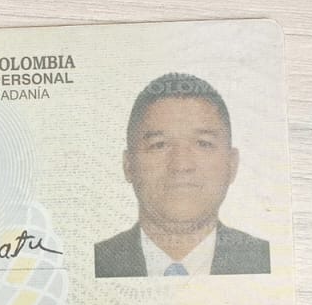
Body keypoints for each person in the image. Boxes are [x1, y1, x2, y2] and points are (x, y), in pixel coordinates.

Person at [94, 72, 270, 278]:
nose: (181, 165)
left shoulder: (267, 261)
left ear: (232, 164)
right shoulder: (94, 262)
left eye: (203, 144)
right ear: (128, 165)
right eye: (159, 145)